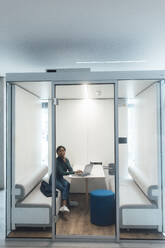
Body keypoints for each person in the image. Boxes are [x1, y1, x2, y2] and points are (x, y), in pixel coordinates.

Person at [50, 145, 82, 213]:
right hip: (54, 178)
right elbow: (61, 173)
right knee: (63, 188)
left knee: (67, 184)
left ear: (65, 152)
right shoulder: (56, 161)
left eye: (63, 150)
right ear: (57, 153)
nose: (62, 152)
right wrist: (75, 172)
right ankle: (64, 205)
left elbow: (70, 169)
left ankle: (67, 203)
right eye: (60, 151)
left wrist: (66, 162)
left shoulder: (66, 159)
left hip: (60, 178)